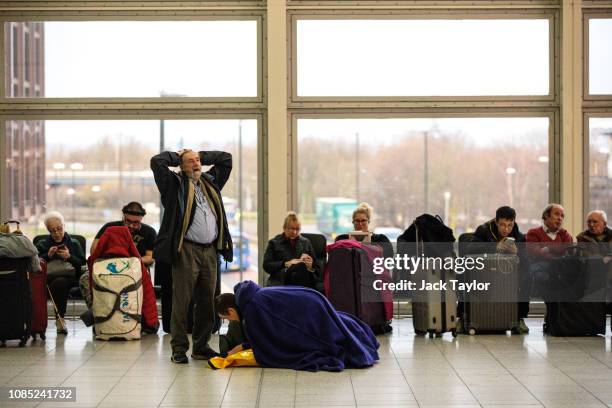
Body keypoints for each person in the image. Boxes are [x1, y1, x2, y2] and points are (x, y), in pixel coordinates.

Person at [151, 148, 233, 364]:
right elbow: (156, 162)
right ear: (181, 165)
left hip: (210, 250)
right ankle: (178, 348)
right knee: (182, 301)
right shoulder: (173, 185)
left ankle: (201, 346)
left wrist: (200, 155)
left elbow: (226, 159)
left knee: (207, 301)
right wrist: (178, 156)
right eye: (190, 162)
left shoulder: (210, 182)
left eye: (198, 161)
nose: (196, 164)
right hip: (187, 249)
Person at [215, 280, 379, 372]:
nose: (231, 322)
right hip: (311, 298)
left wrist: (240, 348)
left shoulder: (251, 310)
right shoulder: (252, 296)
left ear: (230, 310)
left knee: (326, 340)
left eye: (227, 318)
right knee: (337, 325)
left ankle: (357, 350)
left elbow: (267, 343)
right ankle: (363, 339)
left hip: (308, 309)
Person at [465, 206, 529, 333]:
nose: (506, 229)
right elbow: (470, 249)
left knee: (527, 272)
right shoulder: (483, 230)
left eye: (510, 225)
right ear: (496, 222)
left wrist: (517, 253)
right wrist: (495, 246)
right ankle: (464, 315)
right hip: (485, 271)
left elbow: (526, 259)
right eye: (502, 225)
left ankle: (519, 317)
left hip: (507, 274)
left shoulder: (518, 236)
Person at [35, 211, 85, 334]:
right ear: (48, 230)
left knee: (59, 282)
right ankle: (59, 320)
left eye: (59, 228)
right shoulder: (42, 244)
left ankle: (60, 319)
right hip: (48, 278)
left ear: (64, 225)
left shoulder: (74, 243)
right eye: (52, 230)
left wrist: (69, 257)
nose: (57, 233)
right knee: (56, 283)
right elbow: (35, 264)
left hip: (69, 278)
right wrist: (48, 255)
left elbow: (82, 265)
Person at [262, 212, 319, 288]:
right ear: (284, 228)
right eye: (292, 228)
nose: (294, 232)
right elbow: (266, 265)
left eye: (297, 229)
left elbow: (317, 269)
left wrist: (310, 267)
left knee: (300, 267)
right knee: (297, 268)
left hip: (303, 279)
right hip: (282, 279)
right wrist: (285, 264)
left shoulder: (306, 243)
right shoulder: (274, 243)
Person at [90, 202, 156, 267]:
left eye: (136, 222)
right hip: (109, 265)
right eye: (128, 221)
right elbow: (93, 251)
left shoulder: (149, 232)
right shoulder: (110, 227)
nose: (131, 226)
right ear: (123, 217)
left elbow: (150, 257)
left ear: (141, 219)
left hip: (137, 268)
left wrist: (132, 261)